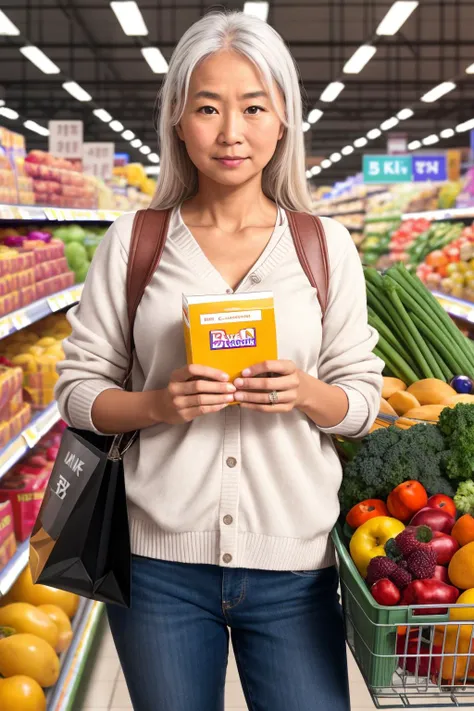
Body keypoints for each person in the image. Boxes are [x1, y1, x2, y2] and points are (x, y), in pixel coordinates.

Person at [55, 10, 383, 711]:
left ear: (284, 118)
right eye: (207, 107)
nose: (231, 132)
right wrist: (154, 404)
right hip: (157, 570)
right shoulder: (134, 242)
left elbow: (363, 399)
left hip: (295, 568)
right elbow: (77, 390)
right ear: (178, 119)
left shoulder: (324, 247)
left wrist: (306, 393)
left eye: (253, 107)